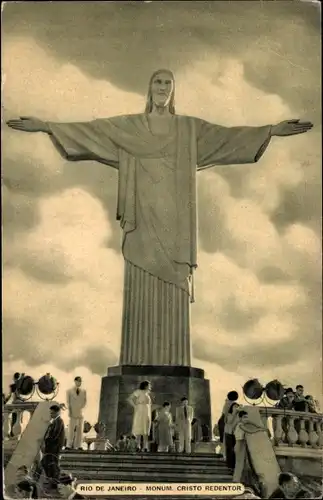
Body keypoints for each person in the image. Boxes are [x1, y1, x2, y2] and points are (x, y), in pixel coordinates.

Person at [6, 73, 313, 369]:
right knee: (141, 273)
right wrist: (46, 126)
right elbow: (93, 131)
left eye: (168, 82)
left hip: (175, 219)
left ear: (174, 90)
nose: (162, 87)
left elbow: (226, 136)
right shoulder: (131, 126)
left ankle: (174, 359)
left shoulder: (188, 129)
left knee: (173, 279)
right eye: (157, 81)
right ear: (149, 88)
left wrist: (270, 130)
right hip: (141, 213)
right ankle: (138, 356)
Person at [41, 404, 66, 491]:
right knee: (46, 463)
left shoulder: (59, 421)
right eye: (50, 413)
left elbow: (54, 435)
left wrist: (46, 442)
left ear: (57, 412)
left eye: (52, 413)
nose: (50, 415)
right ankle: (52, 481)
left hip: (54, 448)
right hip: (52, 447)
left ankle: (54, 483)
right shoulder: (56, 421)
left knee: (52, 465)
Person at [128, 380, 152, 452]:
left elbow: (149, 404)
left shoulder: (148, 394)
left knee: (146, 430)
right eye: (148, 385)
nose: (150, 386)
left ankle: (145, 447)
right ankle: (138, 446)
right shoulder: (139, 391)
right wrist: (135, 406)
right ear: (145, 385)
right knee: (139, 428)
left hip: (147, 411)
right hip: (140, 410)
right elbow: (129, 399)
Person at [66, 376, 87, 450]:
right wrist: (70, 411)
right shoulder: (69, 391)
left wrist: (81, 407)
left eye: (80, 381)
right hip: (72, 413)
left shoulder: (83, 391)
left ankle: (79, 445)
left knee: (80, 430)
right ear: (75, 381)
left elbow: (85, 401)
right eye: (78, 381)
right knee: (71, 429)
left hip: (80, 413)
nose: (79, 382)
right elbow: (68, 402)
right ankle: (69, 445)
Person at [223, 402, 240, 470]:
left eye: (237, 406)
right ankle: (230, 466)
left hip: (235, 434)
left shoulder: (238, 416)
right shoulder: (229, 415)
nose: (236, 408)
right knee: (230, 450)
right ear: (231, 408)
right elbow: (229, 421)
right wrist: (234, 413)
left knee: (235, 450)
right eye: (234, 406)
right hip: (228, 433)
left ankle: (234, 466)